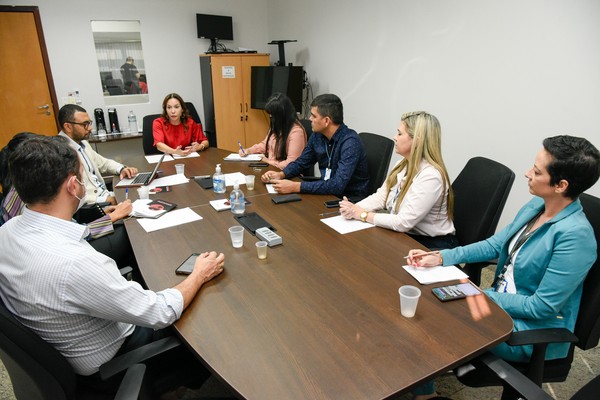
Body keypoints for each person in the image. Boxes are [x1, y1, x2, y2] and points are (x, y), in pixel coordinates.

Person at [0, 136, 225, 394]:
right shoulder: (77, 263)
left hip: (62, 344)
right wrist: (198, 274)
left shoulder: (7, 232)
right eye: (82, 176)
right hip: (116, 360)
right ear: (74, 186)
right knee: (210, 313)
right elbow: (160, 312)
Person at [408, 135, 600, 399]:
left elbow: (541, 307)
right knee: (427, 300)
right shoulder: (537, 205)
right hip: (495, 304)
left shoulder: (576, 237)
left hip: (529, 329)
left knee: (430, 319)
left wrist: (477, 294)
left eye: (536, 171)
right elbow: (494, 245)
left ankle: (425, 394)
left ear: (561, 185)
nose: (527, 173)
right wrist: (442, 257)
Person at [0, 132, 135, 269]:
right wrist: (112, 217)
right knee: (130, 233)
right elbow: (78, 234)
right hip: (68, 254)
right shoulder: (34, 198)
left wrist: (105, 216)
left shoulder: (22, 191)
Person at [339, 111, 457, 250]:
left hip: (432, 245)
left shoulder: (431, 176)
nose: (395, 137)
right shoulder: (402, 164)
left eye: (400, 134)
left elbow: (403, 222)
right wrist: (354, 208)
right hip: (407, 235)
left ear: (417, 141)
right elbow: (382, 197)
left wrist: (363, 215)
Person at [261, 93, 370, 200]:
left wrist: (296, 186)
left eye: (313, 116)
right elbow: (301, 163)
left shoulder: (350, 143)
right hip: (326, 194)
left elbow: (337, 186)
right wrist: (281, 174)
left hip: (349, 201)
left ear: (326, 121)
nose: (310, 119)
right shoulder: (317, 136)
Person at [58, 104, 138, 206]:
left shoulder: (82, 143)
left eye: (90, 123)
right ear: (68, 127)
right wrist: (106, 200)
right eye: (85, 124)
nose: (90, 128)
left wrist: (121, 168)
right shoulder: (60, 152)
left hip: (106, 195)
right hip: (94, 205)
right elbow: (69, 194)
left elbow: (103, 163)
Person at [239, 92, 307, 169]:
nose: (271, 117)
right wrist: (249, 150)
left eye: (273, 115)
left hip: (287, 174)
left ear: (282, 115)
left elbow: (291, 164)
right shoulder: (278, 125)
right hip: (272, 169)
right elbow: (265, 145)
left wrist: (268, 161)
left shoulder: (296, 132)